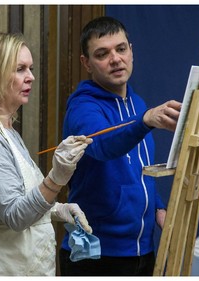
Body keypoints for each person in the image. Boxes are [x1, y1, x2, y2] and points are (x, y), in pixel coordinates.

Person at [0, 32, 93, 276]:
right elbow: (15, 216)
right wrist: (56, 179)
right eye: (20, 69)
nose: (31, 77)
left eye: (30, 68)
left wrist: (57, 209)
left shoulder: (8, 132)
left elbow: (20, 198)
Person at [59, 16, 182, 276]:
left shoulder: (137, 103)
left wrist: (158, 206)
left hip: (142, 251)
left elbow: (138, 170)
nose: (115, 59)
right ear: (87, 63)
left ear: (131, 51)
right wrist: (145, 121)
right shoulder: (83, 107)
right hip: (96, 255)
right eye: (102, 54)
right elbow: (103, 146)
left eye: (121, 49)